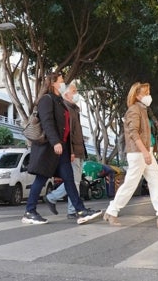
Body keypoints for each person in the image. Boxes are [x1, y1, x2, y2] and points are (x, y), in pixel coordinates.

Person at [22, 72, 102, 225]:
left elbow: (65, 127)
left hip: (62, 149)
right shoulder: (46, 99)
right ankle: (29, 211)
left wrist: (68, 149)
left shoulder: (59, 101)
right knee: (41, 178)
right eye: (61, 81)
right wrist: (55, 142)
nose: (63, 83)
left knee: (70, 179)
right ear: (53, 83)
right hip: (49, 148)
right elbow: (47, 122)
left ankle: (80, 211)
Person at [102, 82, 158, 229]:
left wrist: (149, 151)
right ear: (137, 95)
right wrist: (145, 152)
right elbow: (133, 133)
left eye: (149, 92)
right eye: (146, 93)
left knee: (157, 183)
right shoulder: (134, 110)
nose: (148, 96)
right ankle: (111, 211)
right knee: (131, 184)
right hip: (139, 153)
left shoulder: (144, 110)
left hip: (147, 151)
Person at [43, 82, 87, 219]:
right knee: (74, 181)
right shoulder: (68, 109)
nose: (76, 93)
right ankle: (62, 203)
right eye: (74, 91)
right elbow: (68, 134)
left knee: (74, 181)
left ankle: (68, 207)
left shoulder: (73, 109)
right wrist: (71, 151)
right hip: (73, 152)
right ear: (66, 94)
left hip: (78, 150)